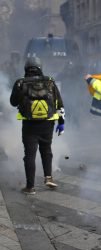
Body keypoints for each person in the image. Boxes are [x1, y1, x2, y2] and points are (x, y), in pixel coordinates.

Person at [9, 57, 65, 194]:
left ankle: (30, 187)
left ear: (26, 68)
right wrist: (61, 122)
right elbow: (59, 103)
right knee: (46, 150)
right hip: (48, 123)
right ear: (40, 67)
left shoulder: (20, 82)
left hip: (29, 125)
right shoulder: (50, 81)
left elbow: (13, 102)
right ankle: (48, 178)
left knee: (29, 155)